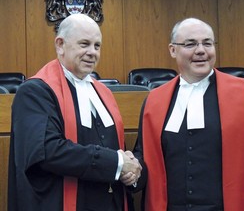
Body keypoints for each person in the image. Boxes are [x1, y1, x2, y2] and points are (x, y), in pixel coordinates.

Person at [133, 18, 244, 210]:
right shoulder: (154, 101)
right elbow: (145, 154)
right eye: (190, 44)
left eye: (207, 43)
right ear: (172, 50)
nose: (201, 50)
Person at [8, 13, 144, 211]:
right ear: (60, 44)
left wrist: (128, 169)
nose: (92, 52)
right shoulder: (35, 92)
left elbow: (117, 148)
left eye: (97, 46)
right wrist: (115, 163)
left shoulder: (103, 93)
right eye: (84, 44)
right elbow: (47, 151)